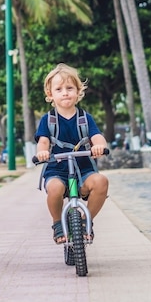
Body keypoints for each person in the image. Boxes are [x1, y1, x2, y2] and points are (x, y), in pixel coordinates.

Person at [34, 63, 109, 244]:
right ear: (50, 94)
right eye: (59, 89)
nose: (65, 93)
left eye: (69, 88)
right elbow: (43, 141)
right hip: (57, 169)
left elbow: (97, 137)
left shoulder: (85, 118)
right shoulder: (48, 119)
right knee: (54, 188)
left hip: (83, 170)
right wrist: (42, 152)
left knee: (101, 182)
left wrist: (99, 146)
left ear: (78, 91)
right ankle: (57, 223)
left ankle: (86, 221)